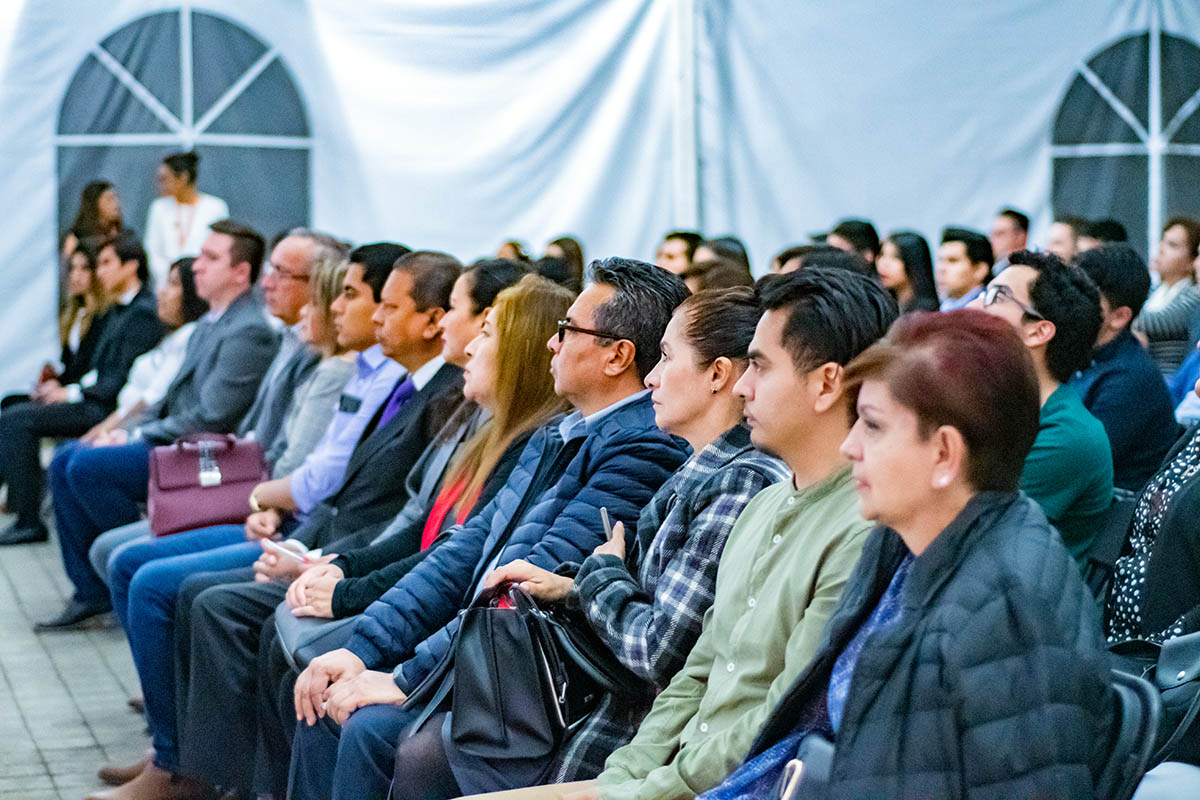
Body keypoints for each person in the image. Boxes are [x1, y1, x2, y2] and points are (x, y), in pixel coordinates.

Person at [286, 258, 692, 800]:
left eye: (568, 331)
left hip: (532, 678)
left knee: (367, 726)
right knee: (328, 683)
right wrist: (366, 648)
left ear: (616, 355)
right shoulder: (561, 431)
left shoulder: (643, 450)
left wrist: (406, 677)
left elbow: (520, 588)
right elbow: (467, 549)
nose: (553, 344)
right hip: (486, 650)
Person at [704, 309, 1115, 800]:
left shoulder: (1006, 614)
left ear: (944, 454)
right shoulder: (904, 541)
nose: (851, 445)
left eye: (872, 426)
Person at [204, 274, 569, 799]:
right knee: (285, 657)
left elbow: (456, 558)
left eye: (483, 330)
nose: (464, 342)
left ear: (519, 352)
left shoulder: (526, 442)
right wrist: (338, 565)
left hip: (445, 622)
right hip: (410, 592)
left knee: (320, 693)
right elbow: (432, 538)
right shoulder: (482, 427)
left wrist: (345, 583)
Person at [589, 267, 896, 800]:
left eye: (759, 366)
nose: (743, 386)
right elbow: (695, 675)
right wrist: (621, 776)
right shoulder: (763, 505)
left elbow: (781, 714)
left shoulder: (860, 528)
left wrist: (646, 789)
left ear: (826, 383)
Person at [484, 288, 788, 788]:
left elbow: (659, 650)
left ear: (716, 374)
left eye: (667, 357)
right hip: (624, 726)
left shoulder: (739, 481)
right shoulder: (700, 467)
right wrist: (574, 588)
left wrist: (602, 574)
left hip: (639, 739)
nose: (650, 377)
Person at [40, 220, 276, 629]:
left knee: (89, 467)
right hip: (181, 441)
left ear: (241, 272)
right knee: (67, 458)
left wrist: (137, 435)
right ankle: (93, 591)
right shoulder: (215, 322)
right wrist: (127, 433)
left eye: (210, 257)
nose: (197, 266)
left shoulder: (248, 330)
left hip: (209, 457)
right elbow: (170, 398)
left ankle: (127, 570)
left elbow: (212, 417)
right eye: (201, 255)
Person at [0, 232, 163, 545]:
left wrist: (69, 392)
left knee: (16, 419)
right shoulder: (118, 310)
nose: (98, 272)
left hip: (106, 408)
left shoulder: (141, 313)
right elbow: (98, 371)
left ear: (130, 267)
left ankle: (28, 518)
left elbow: (116, 380)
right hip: (99, 399)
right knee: (13, 408)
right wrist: (62, 386)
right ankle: (24, 511)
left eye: (105, 263)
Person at [973, 249, 1112, 563]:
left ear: (1037, 331)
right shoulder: (992, 403)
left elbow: (968, 534)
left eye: (996, 297)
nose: (973, 306)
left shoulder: (1068, 436)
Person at [1070, 245, 1180, 491]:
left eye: (1082, 296)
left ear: (1119, 316)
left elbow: (1078, 465)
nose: (1067, 303)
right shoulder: (1085, 355)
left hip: (1113, 517)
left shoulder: (1130, 379)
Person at [144, 151, 230, 286]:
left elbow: (220, 249)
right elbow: (152, 250)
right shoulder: (159, 208)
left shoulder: (215, 207)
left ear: (183, 178)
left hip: (202, 284)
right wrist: (172, 277)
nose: (161, 185)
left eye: (165, 179)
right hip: (167, 285)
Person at [1134, 217, 1200, 376]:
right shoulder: (1154, 290)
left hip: (1169, 382)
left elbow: (1157, 321)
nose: (1161, 249)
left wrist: (1124, 319)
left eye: (1173, 245)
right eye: (1163, 241)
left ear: (1191, 260)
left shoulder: (1194, 294)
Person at [875, 231, 940, 313]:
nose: (884, 263)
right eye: (882, 254)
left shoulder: (927, 313)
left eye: (895, 257)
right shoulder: (882, 305)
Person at [61, 180, 123, 261]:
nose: (116, 204)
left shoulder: (123, 235)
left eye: (116, 198)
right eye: (109, 199)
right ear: (95, 204)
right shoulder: (76, 239)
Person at [936, 226, 992, 311]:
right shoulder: (944, 307)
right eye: (940, 260)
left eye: (953, 261)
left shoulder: (988, 310)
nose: (941, 269)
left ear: (980, 270)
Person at [989, 206, 1029, 271]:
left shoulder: (1029, 270)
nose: (991, 240)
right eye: (992, 234)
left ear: (1019, 237)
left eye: (999, 234)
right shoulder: (996, 268)